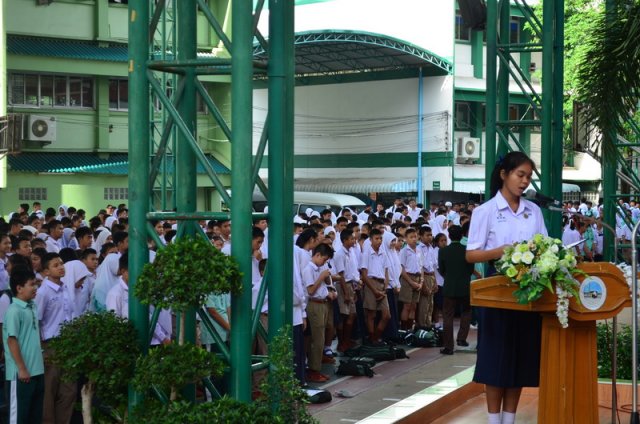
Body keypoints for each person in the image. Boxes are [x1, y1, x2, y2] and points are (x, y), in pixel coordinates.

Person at [465, 151, 547, 424]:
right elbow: (471, 254)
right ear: (504, 174)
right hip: (496, 292)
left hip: (527, 294)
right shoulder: (484, 211)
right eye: (520, 175)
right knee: (495, 359)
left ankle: (509, 419)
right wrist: (501, 251)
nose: (524, 182)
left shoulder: (533, 211)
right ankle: (493, 420)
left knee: (519, 359)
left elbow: (544, 247)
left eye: (528, 177)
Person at [35, 252, 77, 424]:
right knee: (49, 391)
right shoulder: (43, 292)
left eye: (61, 263)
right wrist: (40, 348)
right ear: (45, 271)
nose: (61, 267)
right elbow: (36, 321)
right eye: (55, 265)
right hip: (50, 345)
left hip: (68, 343)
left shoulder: (65, 287)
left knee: (69, 391)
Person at [4, 266, 45, 424]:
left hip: (37, 371)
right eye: (31, 284)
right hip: (21, 374)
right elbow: (11, 340)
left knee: (34, 417)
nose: (35, 288)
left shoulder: (32, 306)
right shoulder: (14, 310)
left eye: (36, 283)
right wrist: (22, 368)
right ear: (19, 288)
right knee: (19, 418)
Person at [437, 225, 474, 355]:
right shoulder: (467, 250)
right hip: (464, 286)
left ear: (449, 236)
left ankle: (448, 346)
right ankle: (462, 339)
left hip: (449, 286)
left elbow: (441, 269)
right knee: (467, 312)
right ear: (462, 235)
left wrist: (449, 276)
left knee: (448, 316)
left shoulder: (443, 251)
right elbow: (470, 270)